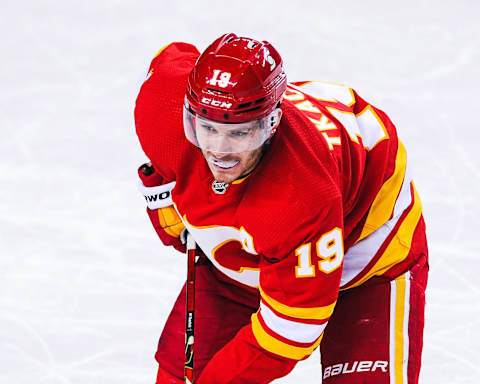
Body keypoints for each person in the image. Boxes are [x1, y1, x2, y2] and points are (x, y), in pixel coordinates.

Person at [134, 33, 428, 384]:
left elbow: (289, 334)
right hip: (266, 242)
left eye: (240, 134)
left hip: (368, 248)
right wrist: (165, 195)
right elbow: (171, 55)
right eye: (208, 129)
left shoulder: (301, 194)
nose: (219, 152)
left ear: (271, 124)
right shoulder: (163, 106)